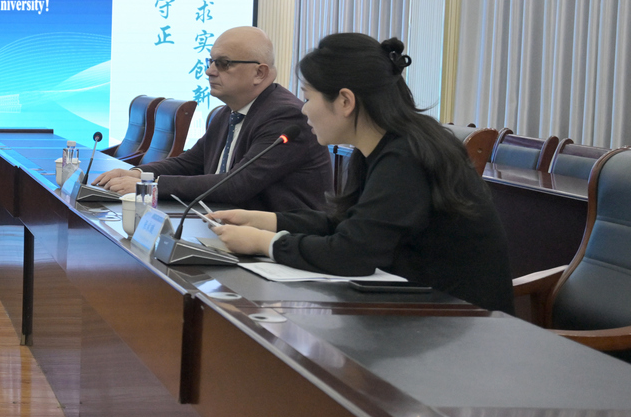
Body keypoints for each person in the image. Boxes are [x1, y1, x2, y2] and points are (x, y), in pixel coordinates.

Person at [209, 34, 514, 313]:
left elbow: (351, 254)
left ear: (345, 101)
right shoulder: (380, 146)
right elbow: (349, 224)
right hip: (416, 307)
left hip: (458, 320)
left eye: (308, 97)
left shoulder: (406, 156)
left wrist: (265, 243)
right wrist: (267, 221)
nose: (303, 109)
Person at [94, 26, 329, 212]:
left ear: (260, 73)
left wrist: (151, 186)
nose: (209, 71)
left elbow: (237, 184)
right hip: (225, 224)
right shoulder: (229, 112)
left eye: (224, 64)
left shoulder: (284, 116)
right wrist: (137, 174)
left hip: (276, 240)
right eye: (211, 61)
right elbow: (189, 163)